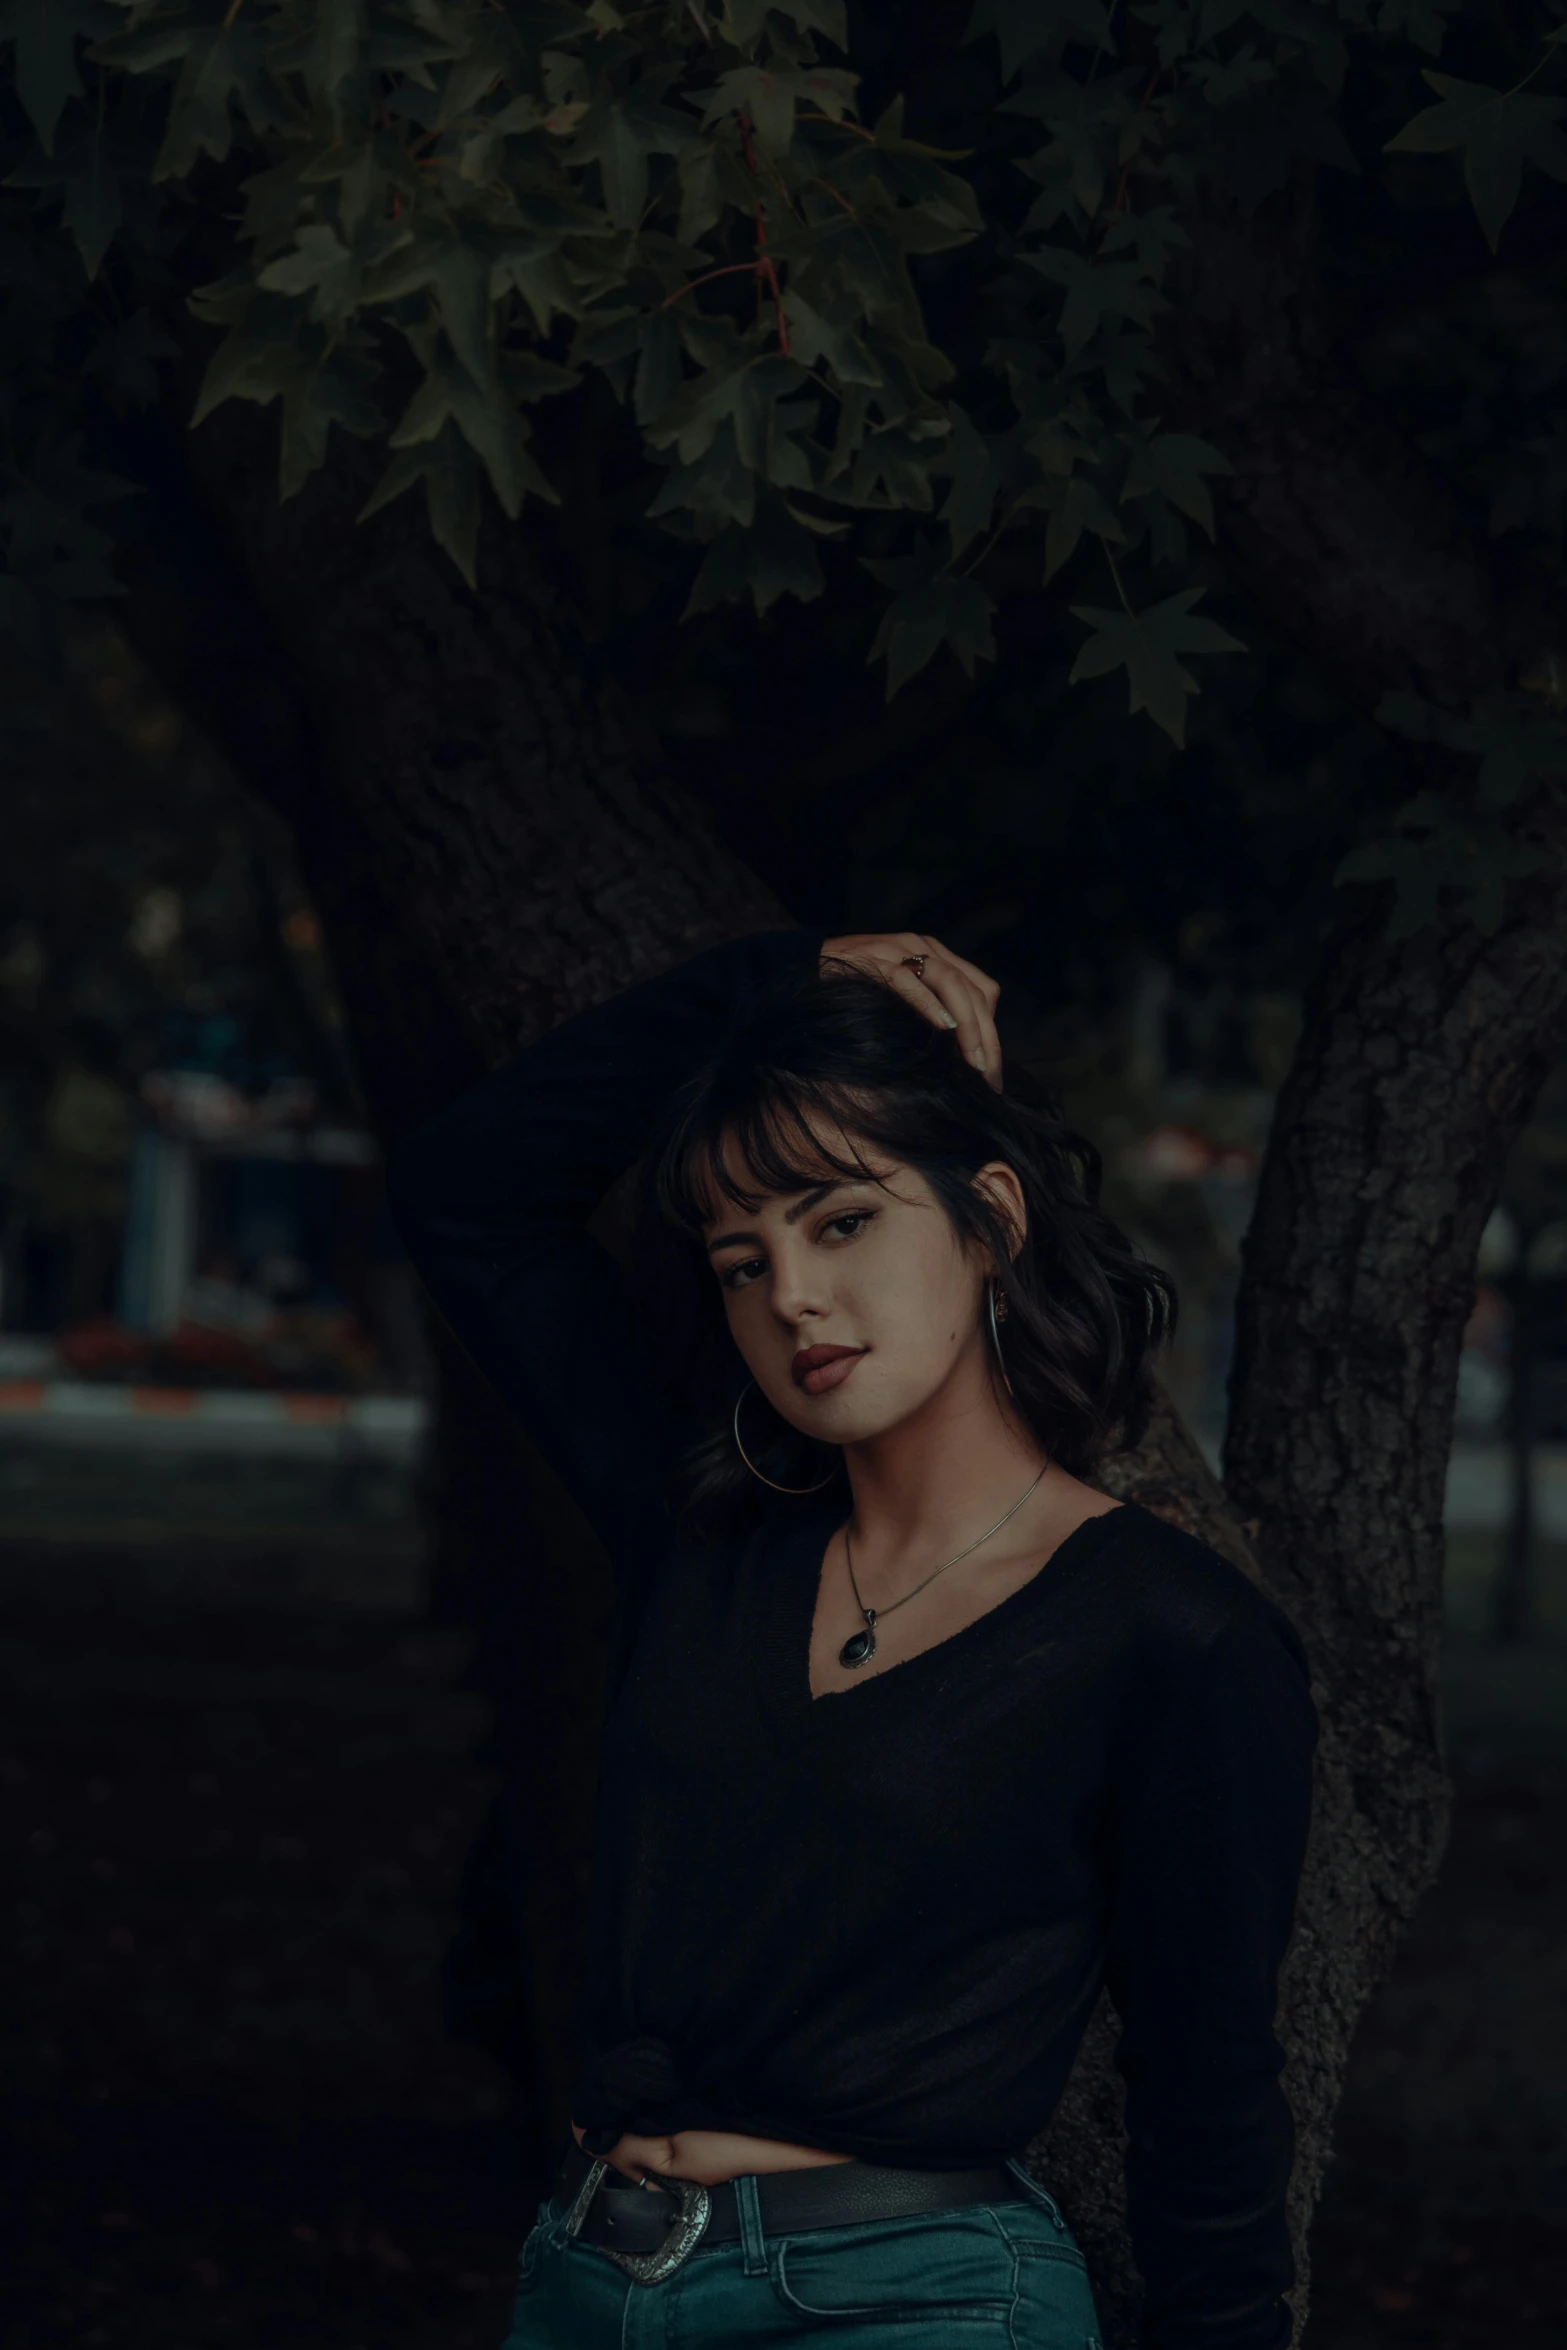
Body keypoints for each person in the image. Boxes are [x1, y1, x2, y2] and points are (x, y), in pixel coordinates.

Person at [388, 929, 1317, 2350]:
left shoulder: (1172, 1635)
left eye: (840, 1220)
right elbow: (469, 1195)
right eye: (739, 1261)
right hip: (587, 2280)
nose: (793, 1299)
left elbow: (1207, 2092)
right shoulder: (702, 1538)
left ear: (989, 1218)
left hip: (917, 2300)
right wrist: (766, 984)